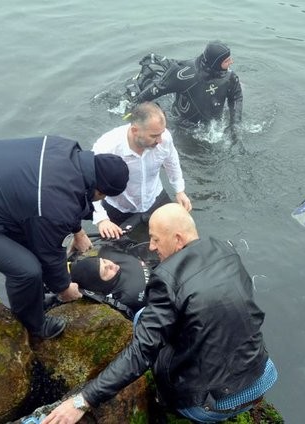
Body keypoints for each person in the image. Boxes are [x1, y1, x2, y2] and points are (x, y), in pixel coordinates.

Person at [42, 203, 277, 424]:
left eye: (155, 239)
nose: (151, 247)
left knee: (141, 318)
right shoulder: (226, 251)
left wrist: (82, 401)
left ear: (177, 239)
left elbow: (141, 352)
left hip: (210, 405)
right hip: (262, 377)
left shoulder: (166, 279)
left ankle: (170, 406)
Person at [0, 135, 129, 339]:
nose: (99, 199)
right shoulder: (55, 202)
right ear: (99, 190)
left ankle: (31, 300)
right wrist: (64, 289)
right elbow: (49, 249)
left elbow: (67, 197)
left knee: (30, 243)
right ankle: (33, 326)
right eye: (102, 196)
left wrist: (78, 232)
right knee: (26, 270)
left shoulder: (65, 148)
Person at [91, 101, 192, 240]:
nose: (160, 140)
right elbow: (89, 185)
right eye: (154, 136)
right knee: (122, 250)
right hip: (119, 207)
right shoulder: (107, 147)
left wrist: (179, 190)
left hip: (155, 198)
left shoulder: (164, 138)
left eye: (161, 133)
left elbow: (172, 161)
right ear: (134, 130)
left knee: (176, 237)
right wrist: (102, 220)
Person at [131, 40, 242, 130]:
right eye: (227, 61)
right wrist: (136, 106)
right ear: (215, 63)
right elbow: (158, 89)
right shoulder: (184, 74)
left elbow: (236, 97)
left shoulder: (229, 77)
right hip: (182, 124)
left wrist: (235, 125)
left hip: (212, 126)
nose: (231, 62)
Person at [68, 245, 152, 320]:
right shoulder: (125, 298)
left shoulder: (107, 251)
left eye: (104, 261)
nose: (110, 264)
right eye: (105, 270)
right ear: (100, 284)